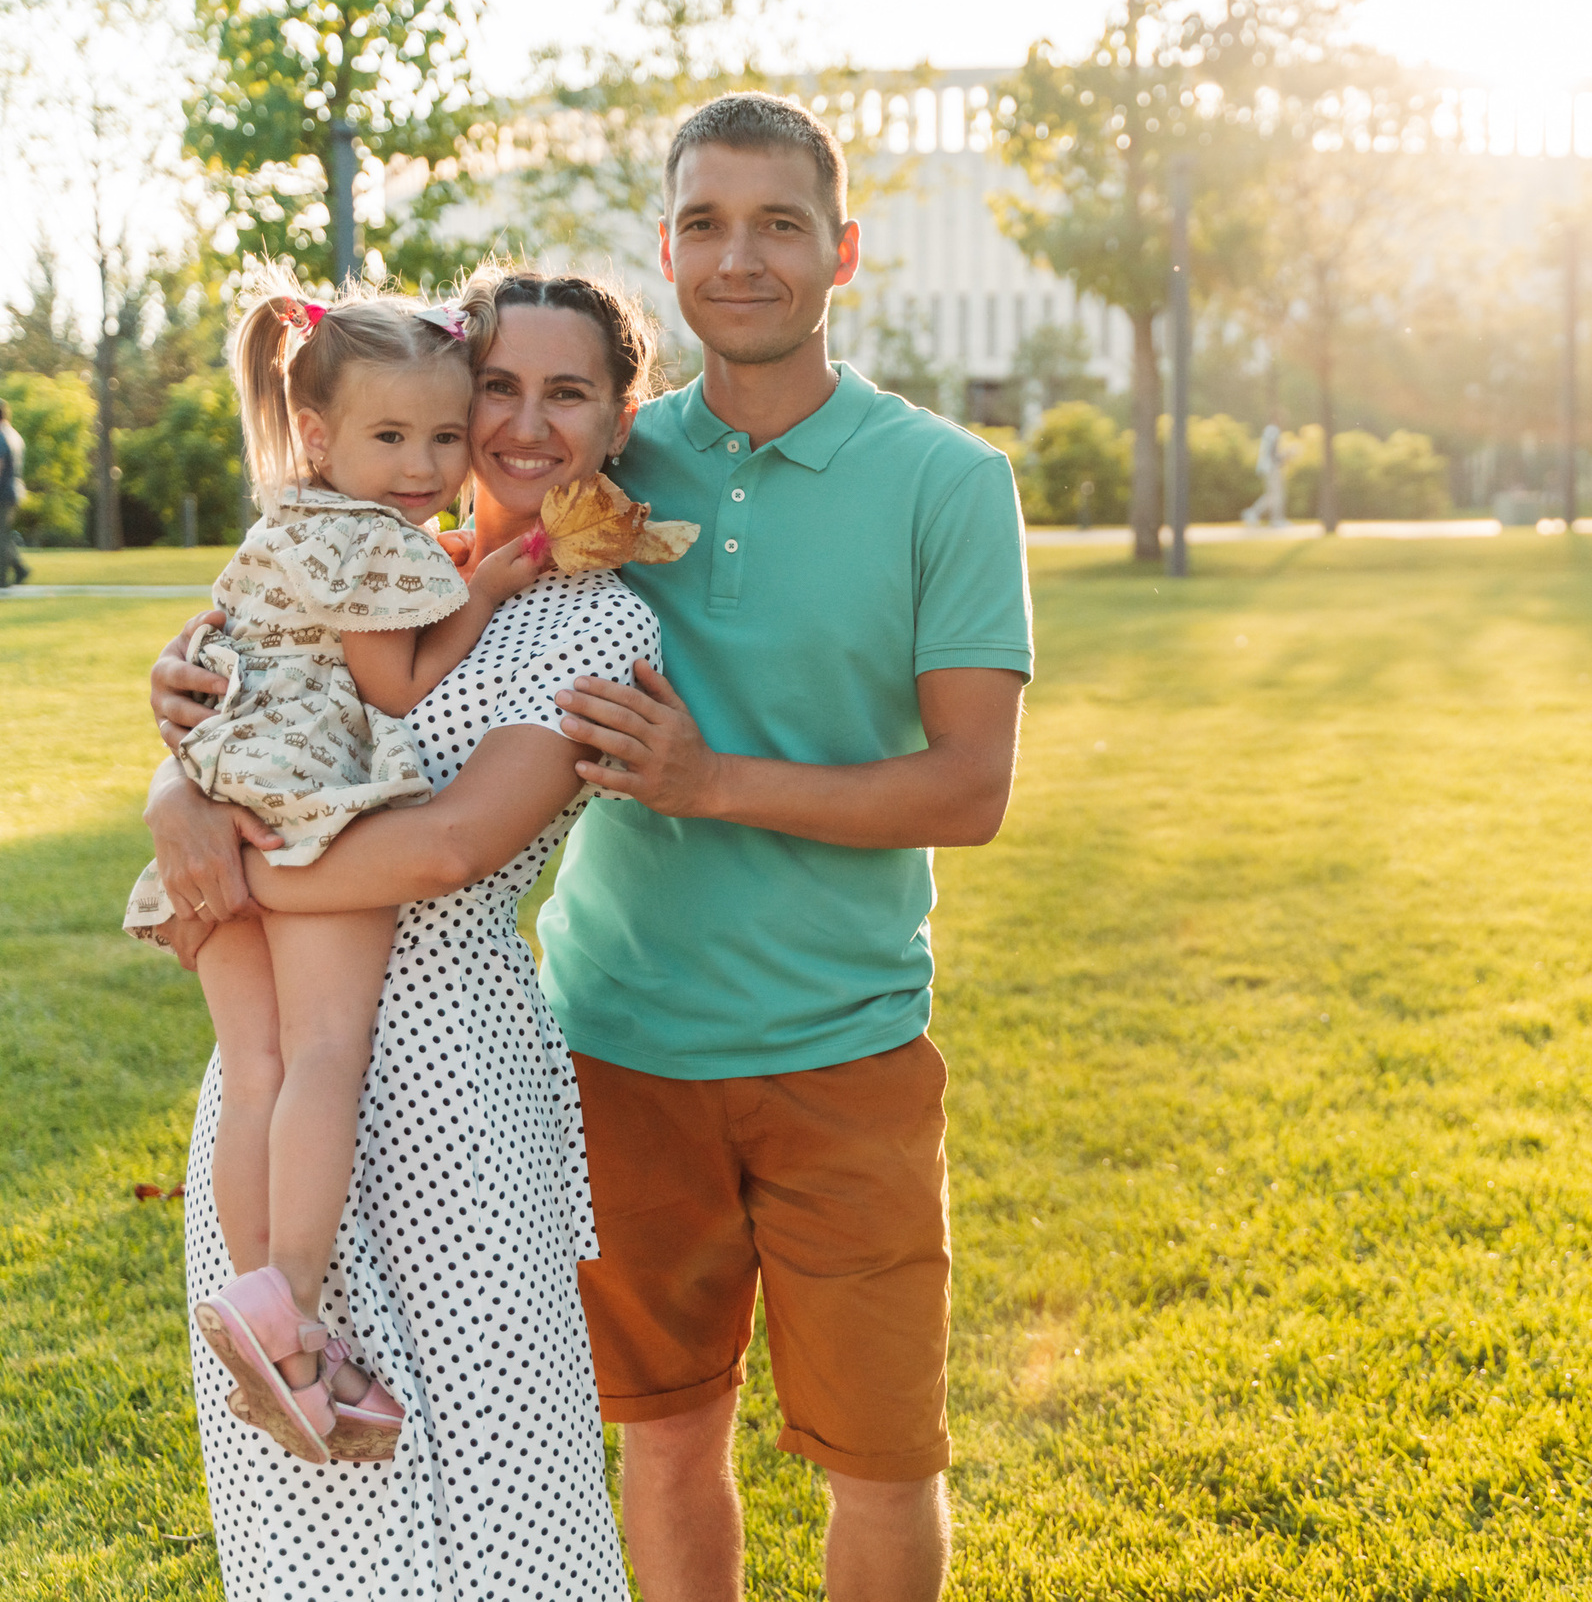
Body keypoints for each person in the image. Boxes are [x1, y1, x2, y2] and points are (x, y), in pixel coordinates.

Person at [532, 89, 1031, 1602]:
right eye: (704, 223)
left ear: (844, 252)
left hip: (847, 1050)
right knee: (668, 1439)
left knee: (883, 1462)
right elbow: (383, 573)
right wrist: (209, 670)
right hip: (615, 1044)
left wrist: (709, 780)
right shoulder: (596, 468)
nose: (739, 256)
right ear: (665, 249)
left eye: (779, 224)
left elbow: (969, 790)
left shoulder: (948, 481)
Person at [146, 267, 666, 1598]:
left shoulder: (595, 622)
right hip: (275, 1091)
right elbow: (220, 725)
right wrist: (170, 791)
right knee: (317, 1493)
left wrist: (217, 882)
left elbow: (449, 847)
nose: (524, 425)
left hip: (451, 1092)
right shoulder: (366, 562)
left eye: (570, 394)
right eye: (498, 387)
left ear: (619, 420)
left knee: (499, 1471)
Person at [133, 265, 547, 1467]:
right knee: (323, 1053)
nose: (422, 465)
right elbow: (397, 682)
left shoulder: (288, 521)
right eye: (389, 435)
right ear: (317, 433)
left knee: (256, 1061)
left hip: (217, 788)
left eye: (443, 436)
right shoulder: (371, 542)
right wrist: (485, 586)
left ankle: (260, 1310)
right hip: (303, 797)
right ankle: (293, 1314)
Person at [0, 397, 28, 587]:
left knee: (1, 536)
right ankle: (19, 568)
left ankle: (2, 578)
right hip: (14, 490)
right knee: (4, 534)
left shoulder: (1, 435)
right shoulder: (13, 434)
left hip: (3, 492)